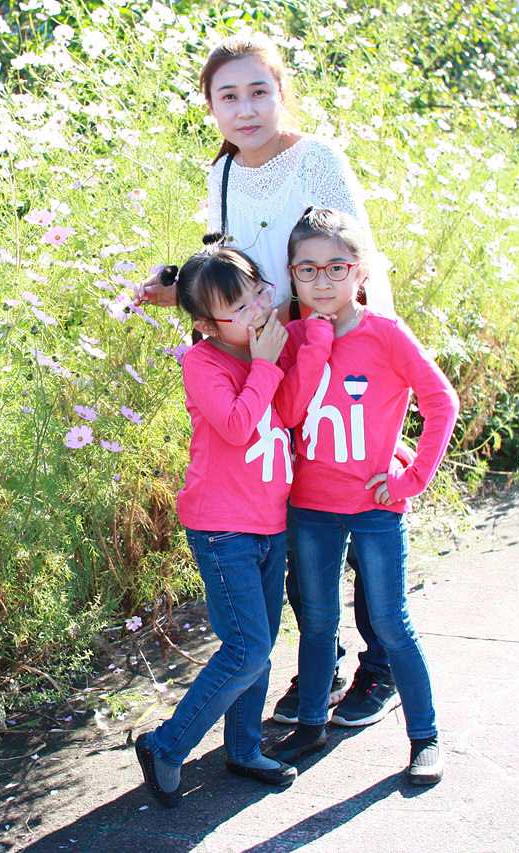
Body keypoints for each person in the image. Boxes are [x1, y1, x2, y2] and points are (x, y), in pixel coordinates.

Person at [135, 32, 402, 732]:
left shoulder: (317, 160)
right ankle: (323, 662)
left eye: (259, 91)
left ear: (282, 93)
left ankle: (381, 668)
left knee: (361, 514)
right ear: (211, 107)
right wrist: (180, 287)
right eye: (228, 96)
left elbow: (358, 261)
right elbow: (231, 267)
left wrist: (378, 367)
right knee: (297, 518)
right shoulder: (223, 171)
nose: (245, 109)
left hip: (341, 360)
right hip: (274, 367)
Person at [267, 208, 459, 785]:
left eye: (337, 267)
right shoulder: (294, 337)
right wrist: (315, 342)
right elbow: (288, 412)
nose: (322, 281)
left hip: (377, 506)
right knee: (317, 621)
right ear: (292, 275)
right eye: (307, 269)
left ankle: (425, 736)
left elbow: (441, 402)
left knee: (392, 623)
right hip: (311, 506)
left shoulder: (387, 334)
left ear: (362, 271)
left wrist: (412, 478)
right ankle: (310, 726)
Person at [135, 241, 328, 807]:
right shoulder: (204, 363)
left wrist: (306, 343)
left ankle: (243, 748)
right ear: (206, 325)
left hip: (268, 521)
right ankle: (165, 745)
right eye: (239, 308)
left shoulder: (268, 348)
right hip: (222, 528)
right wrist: (266, 364)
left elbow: (289, 412)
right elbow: (239, 425)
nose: (258, 310)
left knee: (258, 646)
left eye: (258, 295)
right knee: (246, 647)